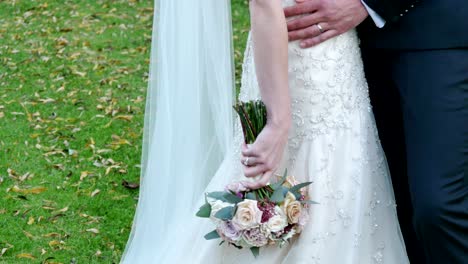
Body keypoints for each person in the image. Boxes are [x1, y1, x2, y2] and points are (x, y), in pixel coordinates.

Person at [120, 0, 410, 263]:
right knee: (313, 164)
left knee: (340, 170)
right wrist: (278, 120)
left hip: (329, 50)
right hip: (302, 55)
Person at [284, 0, 468, 263]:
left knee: (439, 206)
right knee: (386, 209)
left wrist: (369, 4)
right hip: (344, 52)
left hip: (435, 35)